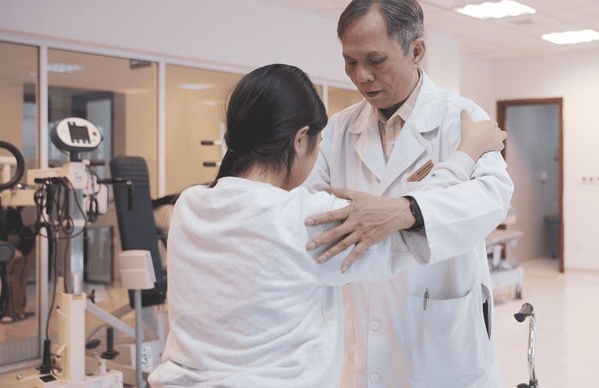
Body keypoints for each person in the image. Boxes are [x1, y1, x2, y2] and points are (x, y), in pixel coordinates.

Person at [147, 64, 506, 387]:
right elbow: (411, 223)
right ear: (300, 139)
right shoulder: (307, 219)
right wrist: (466, 154)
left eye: (374, 59)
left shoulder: (189, 205)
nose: (361, 73)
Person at [303, 0, 514, 387]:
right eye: (350, 61)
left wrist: (407, 211)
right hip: (363, 332)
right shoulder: (338, 130)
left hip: (443, 337)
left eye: (375, 60)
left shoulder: (461, 118)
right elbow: (314, 218)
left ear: (416, 51)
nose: (361, 75)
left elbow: (492, 197)